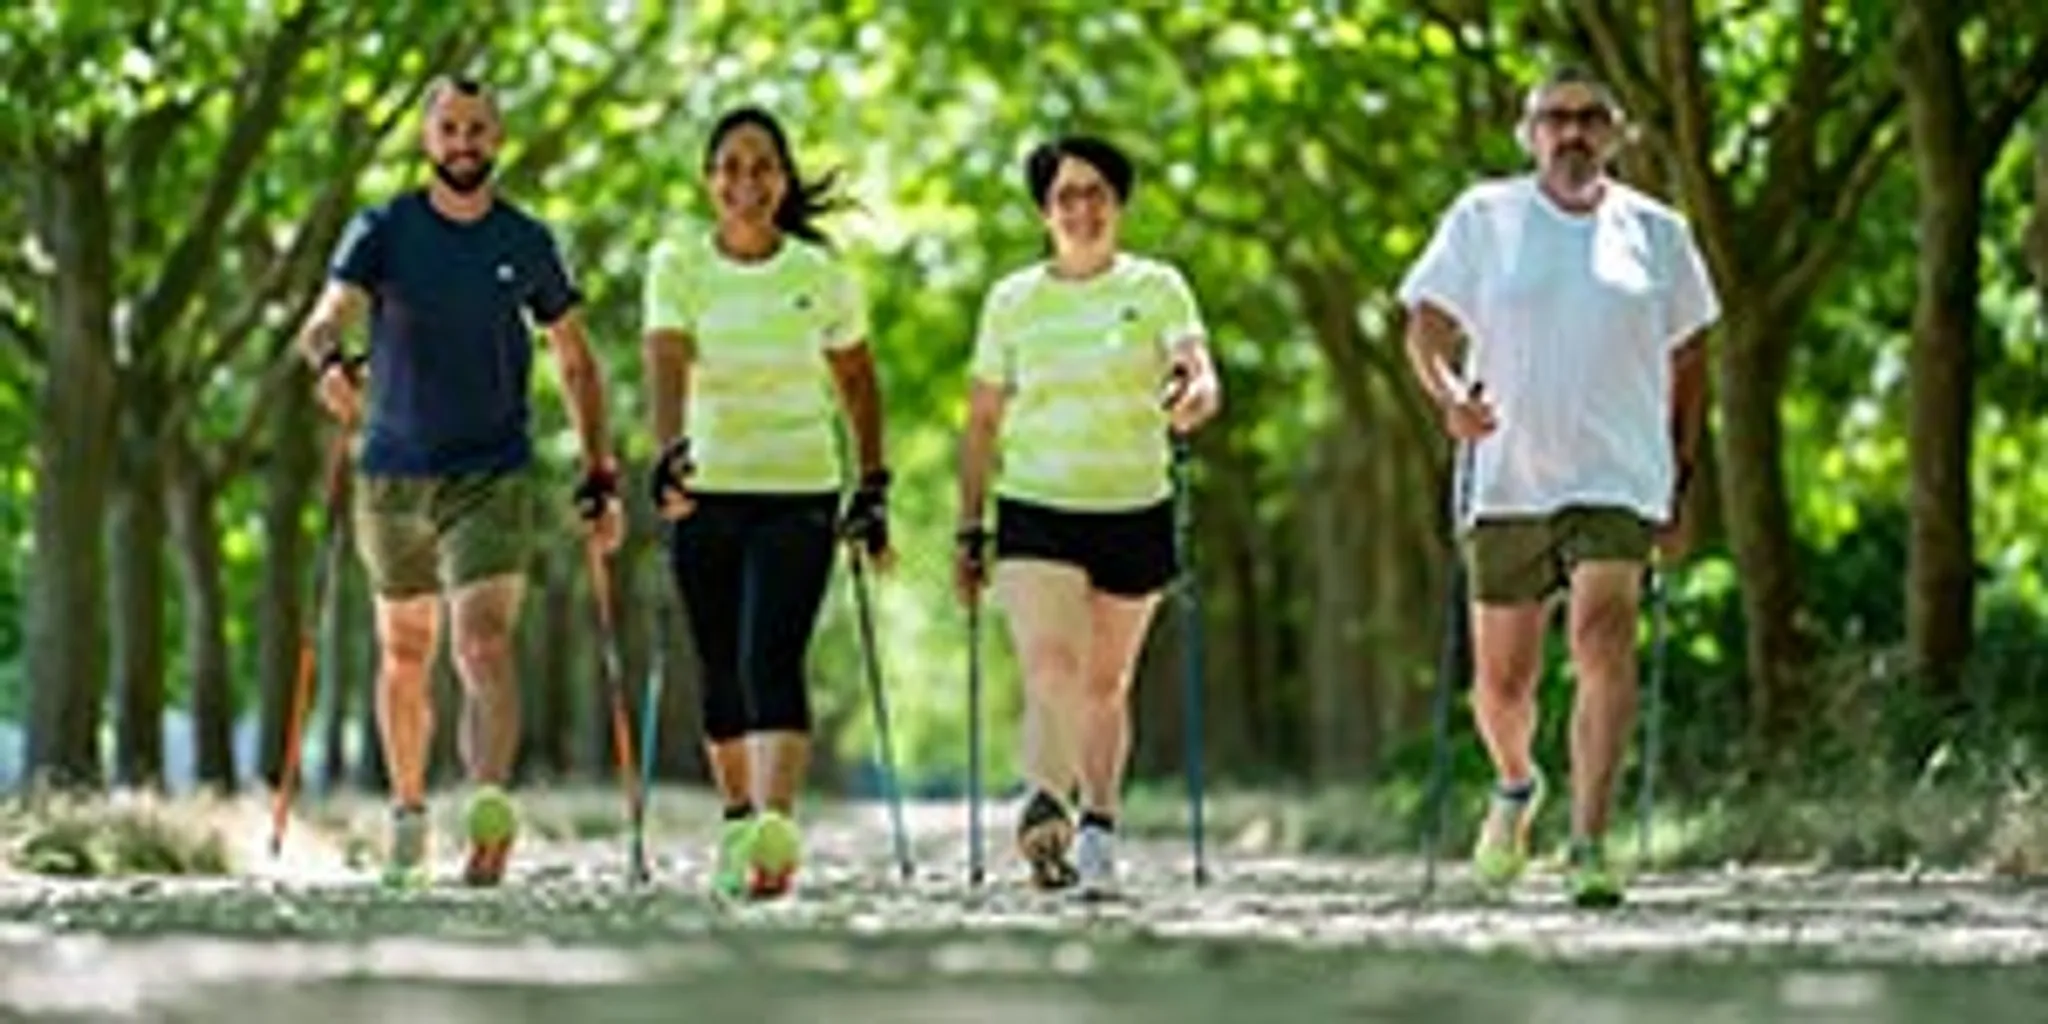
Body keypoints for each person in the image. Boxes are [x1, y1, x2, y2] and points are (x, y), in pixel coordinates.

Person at [1397, 66, 1718, 907]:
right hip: (1508, 475)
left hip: (1620, 476)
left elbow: (1691, 358)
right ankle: (1515, 785)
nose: (1572, 132)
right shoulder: (1484, 217)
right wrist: (1448, 395)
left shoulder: (1659, 233)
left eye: (1590, 118)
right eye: (1555, 118)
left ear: (1616, 134)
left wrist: (1681, 474)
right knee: (1503, 686)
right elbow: (1425, 323)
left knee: (1604, 640)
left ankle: (1589, 843)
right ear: (1529, 133)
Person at [293, 75, 623, 889]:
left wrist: (599, 469)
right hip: (394, 475)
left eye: (478, 128)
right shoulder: (383, 230)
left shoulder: (527, 240)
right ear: (427, 140)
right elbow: (326, 315)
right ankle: (409, 819)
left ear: (497, 139)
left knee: (483, 642)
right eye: (450, 129)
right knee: (406, 652)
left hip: (493, 470)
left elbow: (575, 361)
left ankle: (488, 810)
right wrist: (330, 362)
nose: (464, 143)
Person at [954, 135, 1223, 896]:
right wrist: (970, 526)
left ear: (1118, 204)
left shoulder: (1159, 286)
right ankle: (1047, 799)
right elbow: (981, 421)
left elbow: (1198, 370)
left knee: (1106, 683)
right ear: (1044, 212)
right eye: (1065, 196)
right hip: (1036, 504)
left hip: (1134, 505)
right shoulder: (1013, 301)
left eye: (1096, 193)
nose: (1081, 208)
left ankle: (1099, 824)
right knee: (1051, 663)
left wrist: (1196, 395)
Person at [641, 106, 890, 901]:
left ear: (783, 180)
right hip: (707, 487)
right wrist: (667, 455)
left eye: (762, 167)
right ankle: (738, 818)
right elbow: (665, 360)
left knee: (770, 655)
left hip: (799, 487)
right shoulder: (678, 265)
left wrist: (873, 484)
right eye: (731, 168)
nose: (746, 183)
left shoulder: (820, 275)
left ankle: (775, 831)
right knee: (719, 663)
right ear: (708, 180)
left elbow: (858, 382)